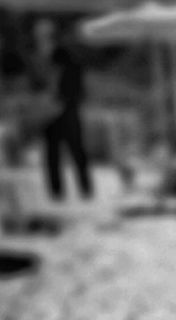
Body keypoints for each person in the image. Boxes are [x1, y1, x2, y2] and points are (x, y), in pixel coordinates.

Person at [34, 19, 93, 202]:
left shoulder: (65, 56)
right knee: (51, 152)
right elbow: (36, 84)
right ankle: (56, 191)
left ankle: (85, 189)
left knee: (76, 148)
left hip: (67, 108)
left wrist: (66, 100)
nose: (40, 37)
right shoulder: (38, 57)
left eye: (44, 34)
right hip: (48, 110)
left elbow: (76, 81)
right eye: (38, 34)